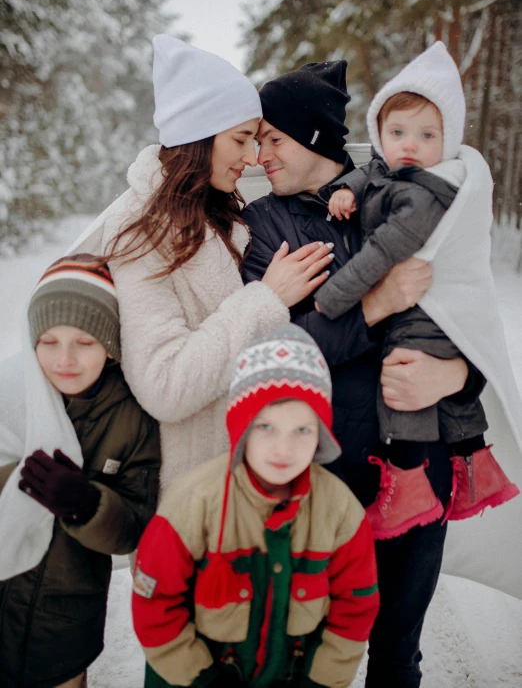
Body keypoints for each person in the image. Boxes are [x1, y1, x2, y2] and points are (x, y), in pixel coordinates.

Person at [240, 59, 489, 688]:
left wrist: (459, 375)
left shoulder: (407, 189)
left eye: (273, 138)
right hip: (324, 475)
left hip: (416, 463)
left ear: (316, 137)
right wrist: (378, 304)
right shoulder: (266, 226)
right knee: (310, 655)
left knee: (398, 655)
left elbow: (469, 313)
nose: (259, 154)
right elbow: (279, 351)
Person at [90, 34, 333, 491]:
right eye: (241, 139)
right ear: (197, 138)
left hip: (256, 480)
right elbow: (165, 386)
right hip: (193, 502)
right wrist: (267, 299)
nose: (253, 158)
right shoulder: (140, 231)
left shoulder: (218, 212)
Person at [313, 42, 519, 538]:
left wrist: (334, 298)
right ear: (379, 134)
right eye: (397, 131)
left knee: (401, 387)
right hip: (418, 310)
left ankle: (407, 488)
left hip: (425, 312)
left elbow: (380, 253)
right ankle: (477, 469)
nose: (409, 144)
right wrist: (346, 190)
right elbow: (371, 173)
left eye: (427, 134)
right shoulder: (392, 170)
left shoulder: (426, 193)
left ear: (447, 141)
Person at [132, 324, 380, 688]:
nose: (284, 449)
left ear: (321, 436)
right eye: (266, 427)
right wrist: (199, 678)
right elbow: (154, 604)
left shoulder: (341, 513)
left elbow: (355, 608)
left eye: (302, 430)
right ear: (242, 427)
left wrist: (323, 681)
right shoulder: (191, 504)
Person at [0, 254, 161, 688]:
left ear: (108, 343)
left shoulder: (131, 418)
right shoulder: (10, 396)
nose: (64, 358)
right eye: (48, 341)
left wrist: (86, 505)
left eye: (84, 342)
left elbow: (133, 530)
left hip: (66, 619)